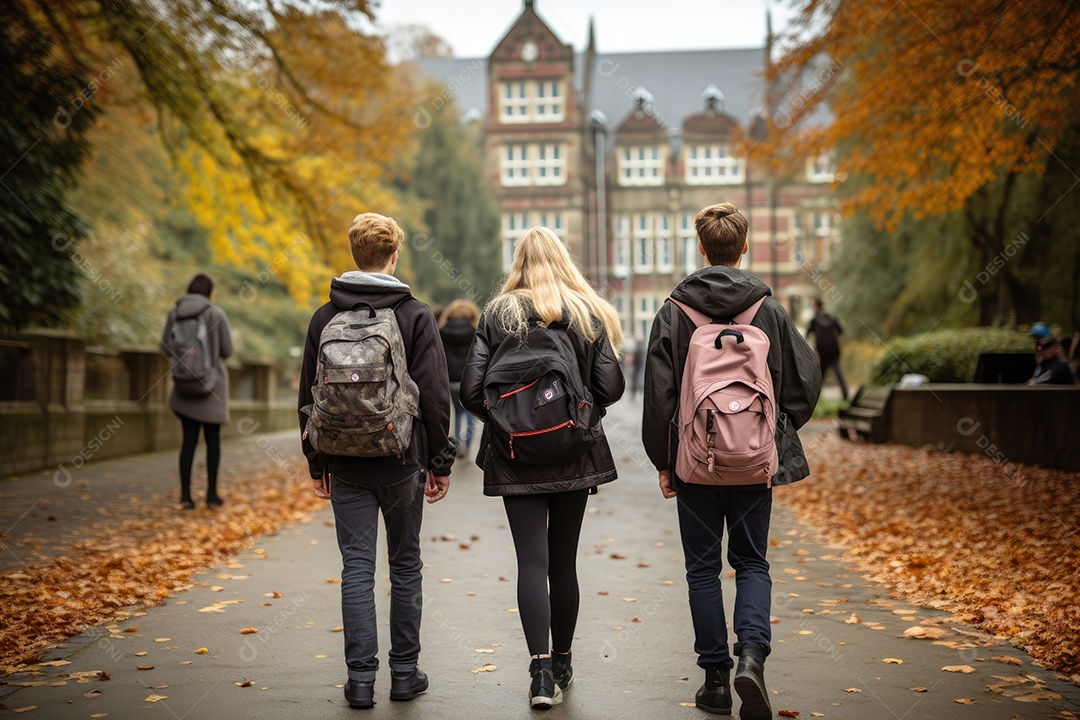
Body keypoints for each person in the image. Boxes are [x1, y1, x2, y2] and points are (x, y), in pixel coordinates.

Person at [642, 203, 821, 719]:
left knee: (702, 570)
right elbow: (804, 384)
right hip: (754, 463)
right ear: (743, 246)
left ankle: (716, 682)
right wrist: (770, 436)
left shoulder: (675, 311)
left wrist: (663, 459)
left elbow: (659, 397)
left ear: (702, 247)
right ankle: (752, 658)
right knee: (751, 562)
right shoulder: (767, 309)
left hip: (695, 463)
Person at [460, 226, 624, 709]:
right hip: (574, 450)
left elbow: (471, 392)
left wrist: (511, 423)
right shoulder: (585, 311)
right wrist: (580, 412)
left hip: (515, 457)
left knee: (530, 561)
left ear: (519, 262)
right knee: (563, 561)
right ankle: (566, 660)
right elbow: (610, 385)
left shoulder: (498, 314)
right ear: (562, 259)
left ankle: (539, 672)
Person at [298, 212, 454, 710]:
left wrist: (316, 460)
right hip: (403, 458)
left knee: (356, 569)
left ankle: (360, 680)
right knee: (405, 565)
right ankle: (404, 675)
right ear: (393, 256)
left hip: (344, 461)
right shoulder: (415, 314)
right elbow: (433, 394)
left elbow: (308, 394)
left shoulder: (325, 317)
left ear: (354, 254)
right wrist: (440, 460)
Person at [160, 273, 233, 509]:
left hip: (183, 387)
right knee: (213, 441)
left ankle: (185, 496)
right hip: (212, 387)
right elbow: (227, 349)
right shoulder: (216, 313)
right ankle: (211, 494)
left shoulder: (175, 313)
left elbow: (165, 346)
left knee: (188, 441)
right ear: (210, 293)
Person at [439, 299, 481, 458]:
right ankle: (468, 447)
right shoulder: (475, 332)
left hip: (451, 380)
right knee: (470, 414)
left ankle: (456, 445)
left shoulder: (442, 332)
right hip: (470, 379)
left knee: (456, 413)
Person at [806, 298, 847, 400]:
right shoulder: (831, 317)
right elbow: (840, 331)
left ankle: (815, 399)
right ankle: (846, 396)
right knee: (839, 374)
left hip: (822, 352)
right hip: (834, 351)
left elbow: (806, 335)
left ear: (816, 306)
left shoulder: (814, 320)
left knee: (820, 377)